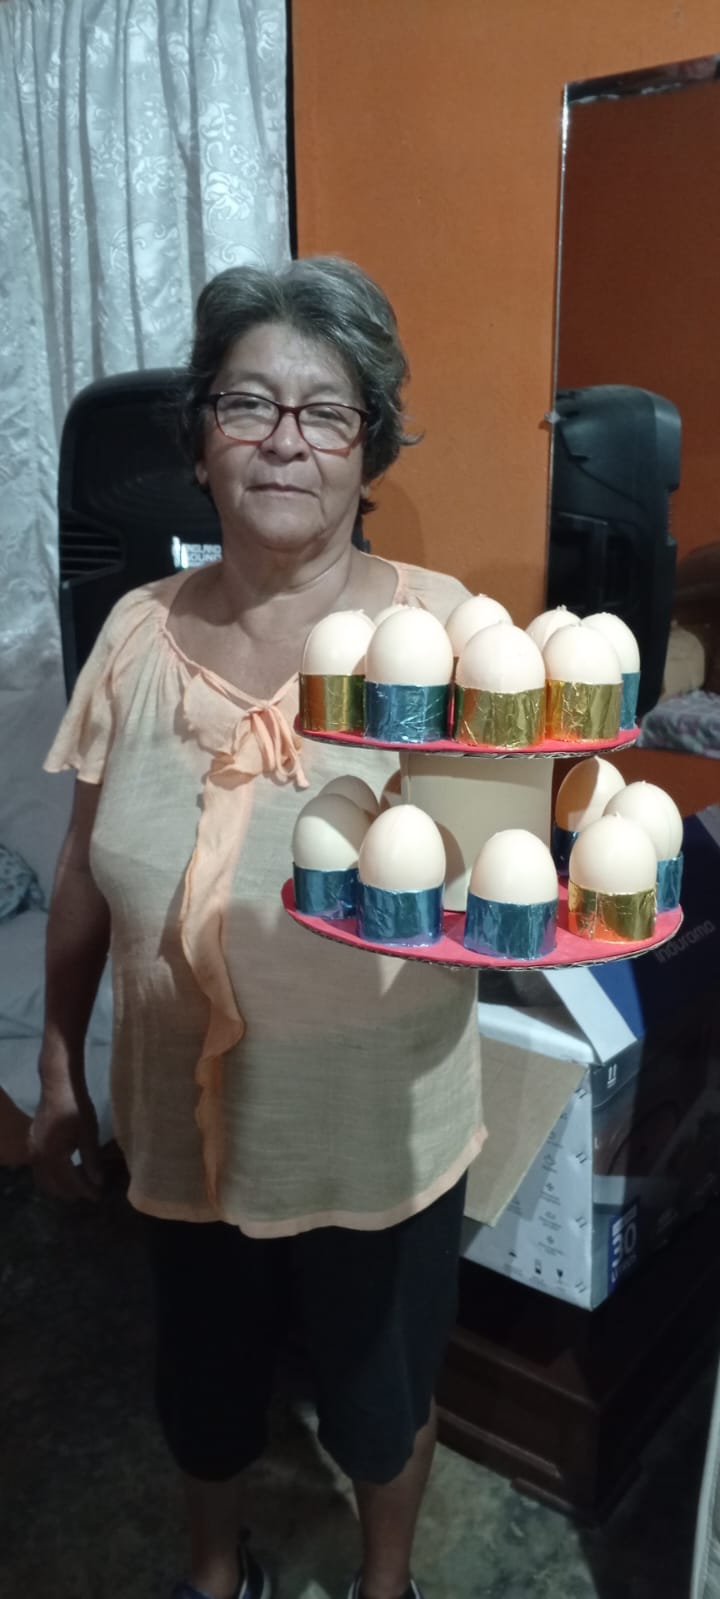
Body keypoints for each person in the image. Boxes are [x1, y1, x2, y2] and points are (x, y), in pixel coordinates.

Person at [29, 257, 485, 1599]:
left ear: (368, 450)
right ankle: (217, 1573)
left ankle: (385, 1583)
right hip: (181, 1121)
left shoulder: (447, 637)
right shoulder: (134, 631)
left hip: (378, 1135)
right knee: (204, 1394)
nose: (286, 439)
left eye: (326, 411)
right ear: (201, 443)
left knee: (381, 1408)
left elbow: (496, 876)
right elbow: (81, 865)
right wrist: (56, 1064)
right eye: (248, 402)